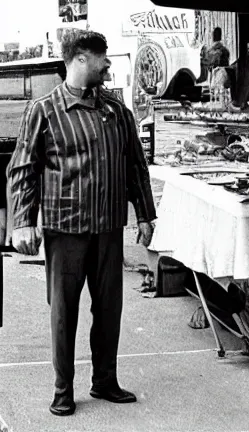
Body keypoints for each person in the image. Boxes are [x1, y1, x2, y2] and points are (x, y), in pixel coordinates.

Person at [7, 29, 157, 417]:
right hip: (65, 230)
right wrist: (22, 222)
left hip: (108, 227)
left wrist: (144, 213)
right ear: (79, 60)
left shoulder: (116, 110)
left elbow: (135, 165)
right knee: (63, 312)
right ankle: (63, 389)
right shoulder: (43, 110)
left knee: (109, 310)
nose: (108, 63)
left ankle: (105, 380)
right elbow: (22, 170)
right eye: (101, 56)